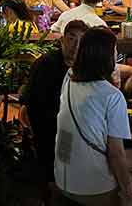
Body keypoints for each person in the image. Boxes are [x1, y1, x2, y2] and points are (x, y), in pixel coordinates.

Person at [56, 27, 132, 206]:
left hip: (62, 177)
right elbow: (116, 154)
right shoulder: (111, 95)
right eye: (115, 50)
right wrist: (129, 195)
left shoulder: (69, 77)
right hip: (92, 187)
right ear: (108, 56)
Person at [23, 20, 88, 189]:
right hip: (49, 131)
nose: (75, 45)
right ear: (62, 40)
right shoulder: (45, 65)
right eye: (71, 39)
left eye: (81, 41)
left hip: (78, 129)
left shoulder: (86, 68)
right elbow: (32, 106)